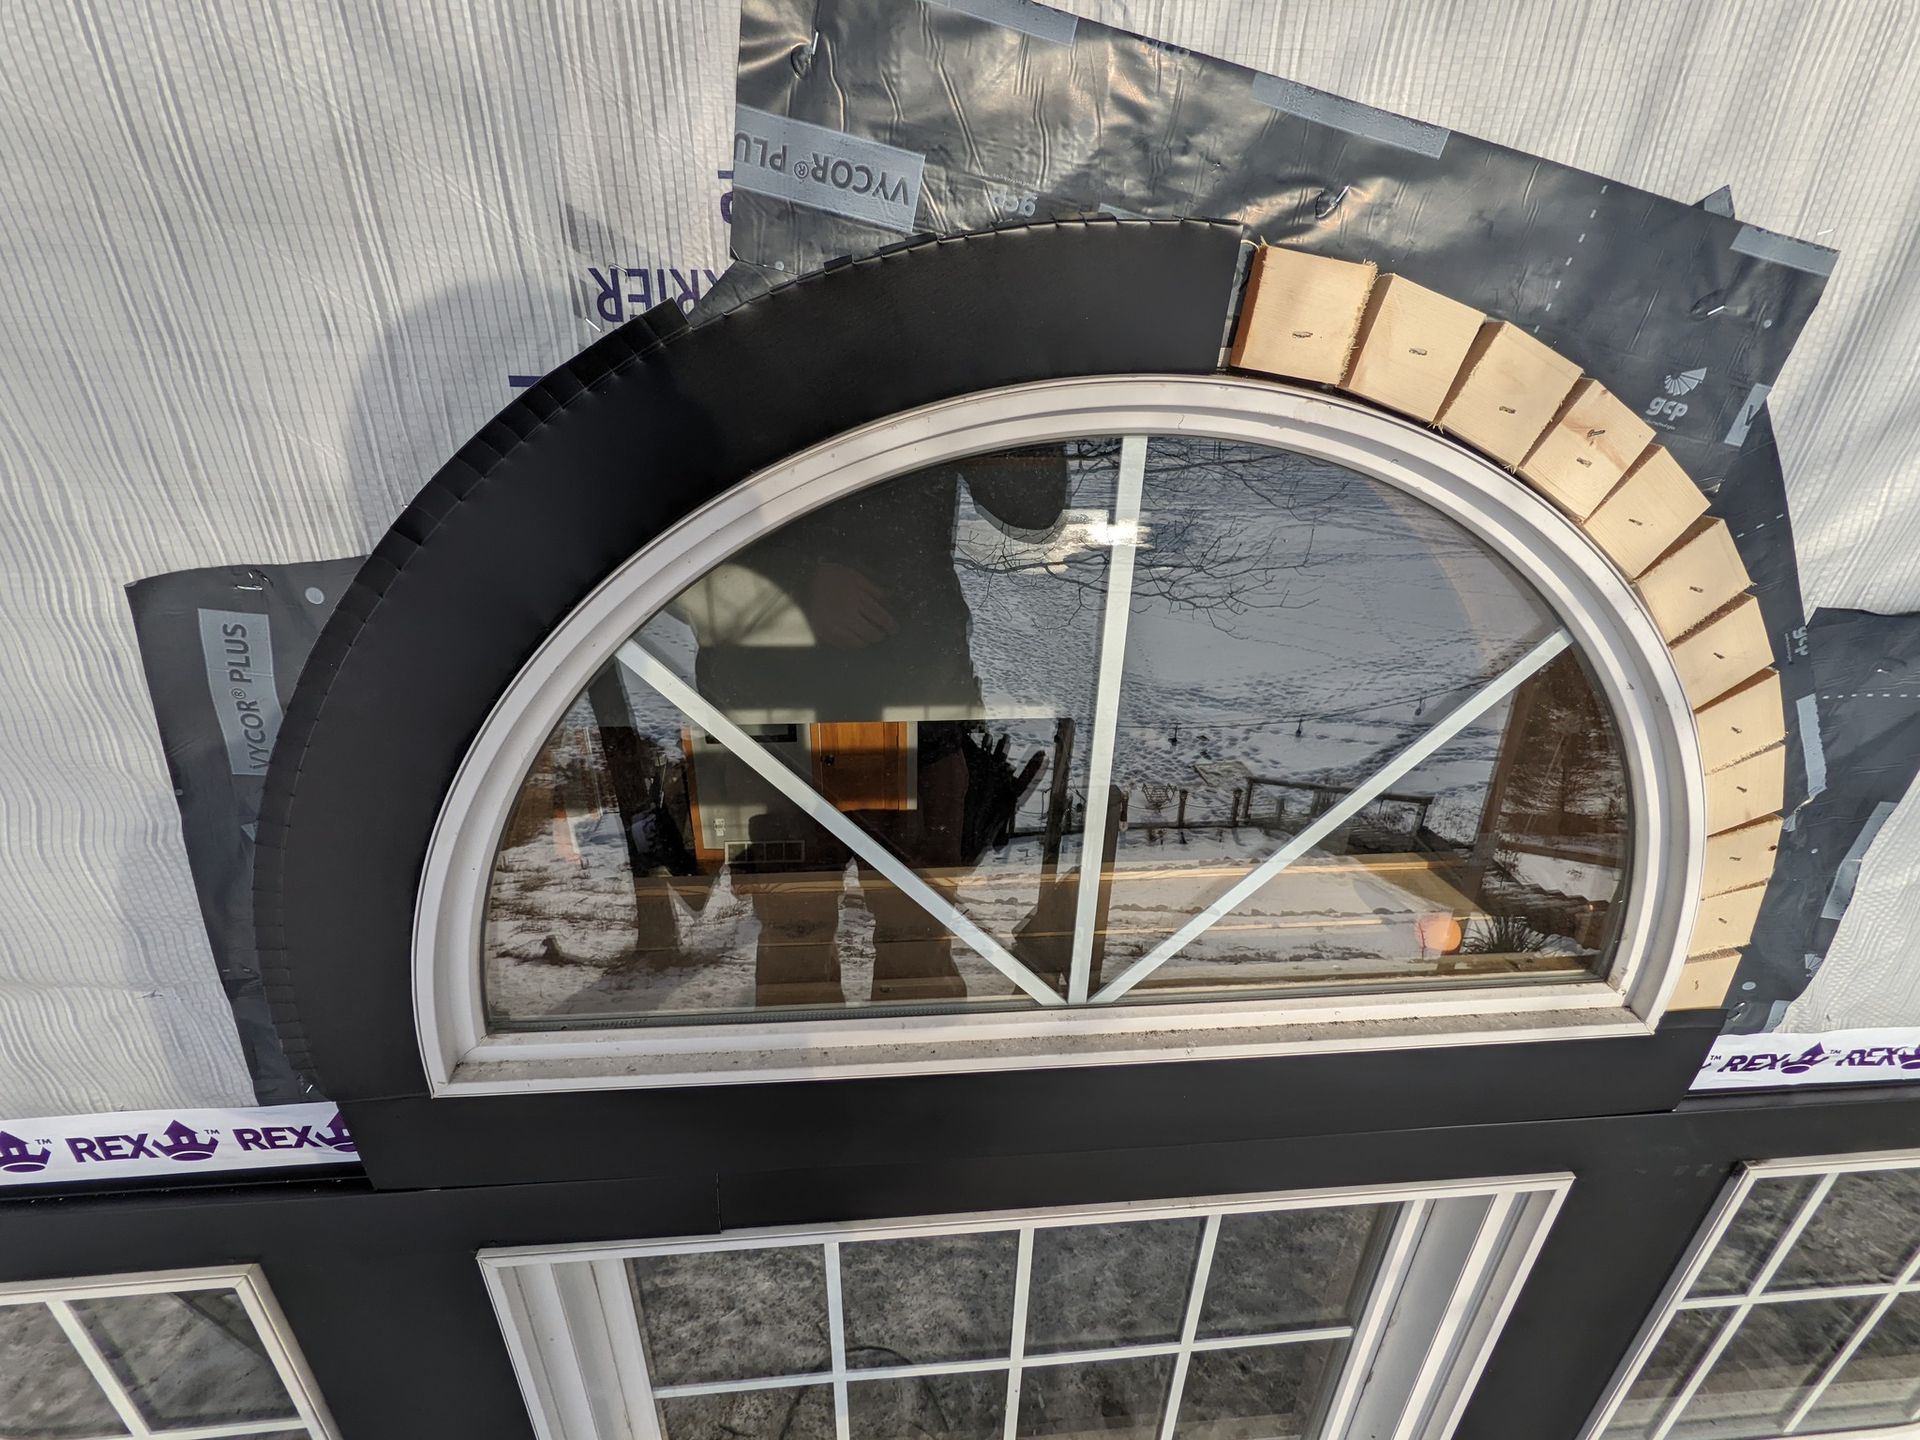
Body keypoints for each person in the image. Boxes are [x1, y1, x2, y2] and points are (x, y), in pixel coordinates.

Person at [671, 446, 1070, 1008]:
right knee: (796, 943)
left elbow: (1031, 506)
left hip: (910, 712)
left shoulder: (936, 362)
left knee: (913, 944)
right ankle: (814, 1083)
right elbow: (650, 544)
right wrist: (790, 588)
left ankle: (910, 1084)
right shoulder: (716, 368)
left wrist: (990, 371)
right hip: (773, 728)